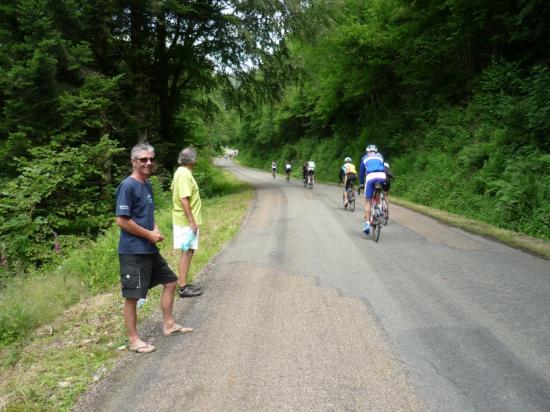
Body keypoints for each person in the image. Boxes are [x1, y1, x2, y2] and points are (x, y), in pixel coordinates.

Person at [115, 143, 192, 354]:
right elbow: (122, 220)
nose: (148, 163)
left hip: (148, 248)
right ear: (133, 162)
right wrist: (148, 234)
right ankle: (134, 340)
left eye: (150, 159)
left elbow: (146, 214)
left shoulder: (147, 185)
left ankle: (168, 324)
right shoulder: (128, 186)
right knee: (132, 296)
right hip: (133, 251)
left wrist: (155, 228)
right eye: (143, 160)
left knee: (171, 281)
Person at [171, 147, 203, 298]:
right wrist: (191, 220)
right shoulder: (184, 174)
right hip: (185, 221)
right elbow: (184, 198)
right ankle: (183, 287)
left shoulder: (181, 172)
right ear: (193, 160)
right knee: (186, 251)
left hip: (185, 220)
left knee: (188, 251)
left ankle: (183, 283)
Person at [359, 144, 386, 234]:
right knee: (378, 192)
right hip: (382, 176)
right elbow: (383, 167)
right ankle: (379, 210)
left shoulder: (364, 158)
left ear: (367, 152)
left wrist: (361, 184)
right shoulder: (380, 157)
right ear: (376, 151)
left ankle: (367, 224)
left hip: (371, 177)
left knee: (367, 201)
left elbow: (362, 173)